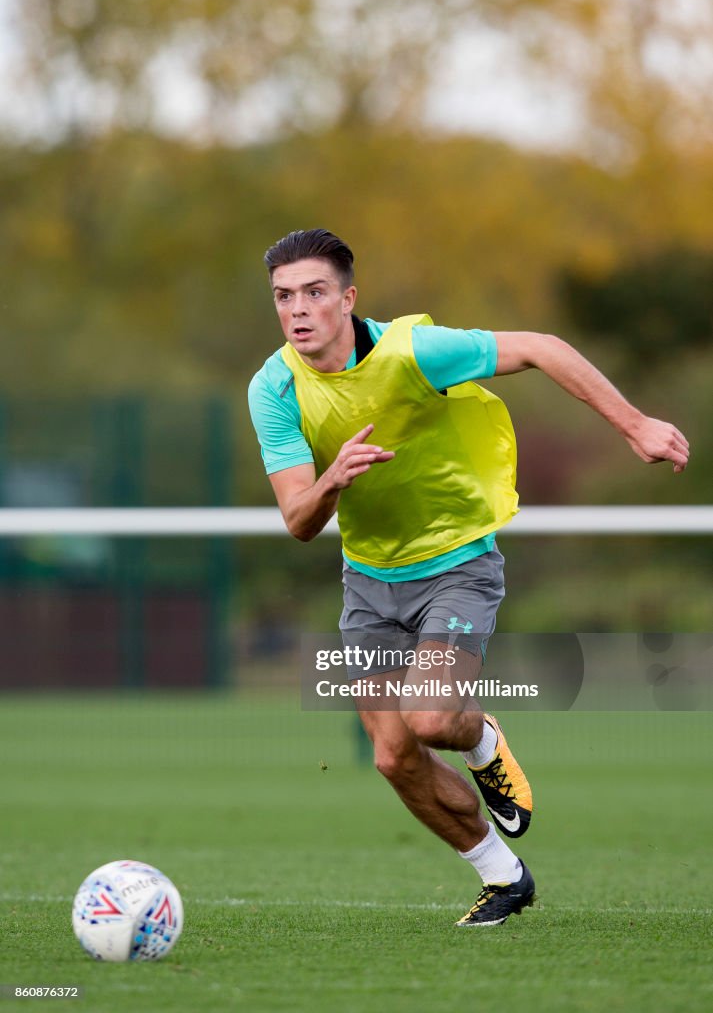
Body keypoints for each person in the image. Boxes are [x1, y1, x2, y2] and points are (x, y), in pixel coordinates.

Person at [248, 228, 689, 927]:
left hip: (456, 562)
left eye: (313, 292)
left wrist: (633, 425)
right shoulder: (273, 387)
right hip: (367, 579)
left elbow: (541, 348)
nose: (297, 309)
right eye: (282, 296)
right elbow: (300, 519)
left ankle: (479, 738)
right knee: (393, 758)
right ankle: (501, 876)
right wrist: (331, 478)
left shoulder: (413, 352)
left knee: (428, 720)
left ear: (347, 298)